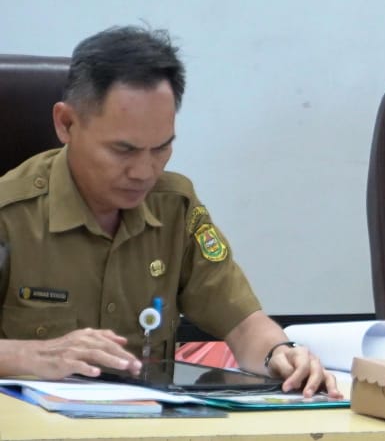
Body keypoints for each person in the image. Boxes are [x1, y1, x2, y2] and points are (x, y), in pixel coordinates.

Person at [0, 26, 341, 396]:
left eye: (161, 148)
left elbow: (244, 326)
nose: (144, 172)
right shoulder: (9, 214)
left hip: (151, 420)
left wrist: (281, 354)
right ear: (66, 124)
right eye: (123, 150)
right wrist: (29, 355)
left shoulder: (174, 207)